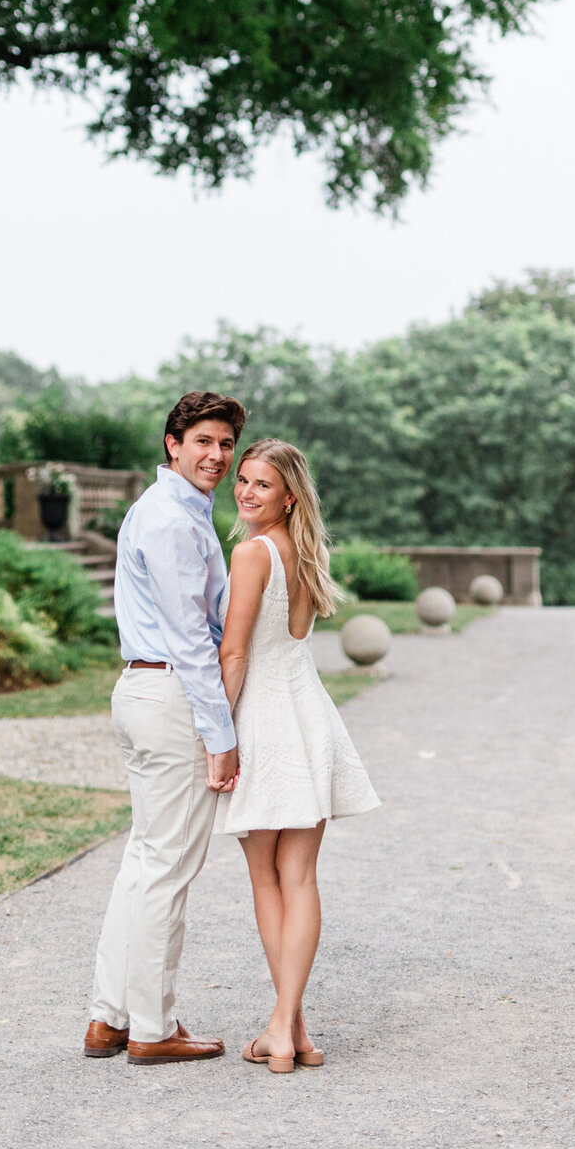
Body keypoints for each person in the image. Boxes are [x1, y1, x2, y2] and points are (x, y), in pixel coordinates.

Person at [85, 389, 247, 1067]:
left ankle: (109, 1018)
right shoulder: (174, 521)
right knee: (167, 869)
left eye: (225, 443)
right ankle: (153, 1027)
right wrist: (221, 736)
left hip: (147, 689)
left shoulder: (169, 510)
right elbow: (190, 638)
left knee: (145, 861)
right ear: (171, 444)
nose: (216, 455)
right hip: (171, 694)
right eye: (202, 441)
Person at [214, 438, 380, 1074]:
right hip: (309, 715)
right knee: (301, 876)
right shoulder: (307, 553)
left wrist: (218, 736)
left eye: (261, 484)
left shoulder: (253, 552)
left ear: (288, 496)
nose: (247, 492)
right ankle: (296, 1029)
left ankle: (281, 1027)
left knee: (268, 876)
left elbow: (235, 653)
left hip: (263, 719)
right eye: (243, 481)